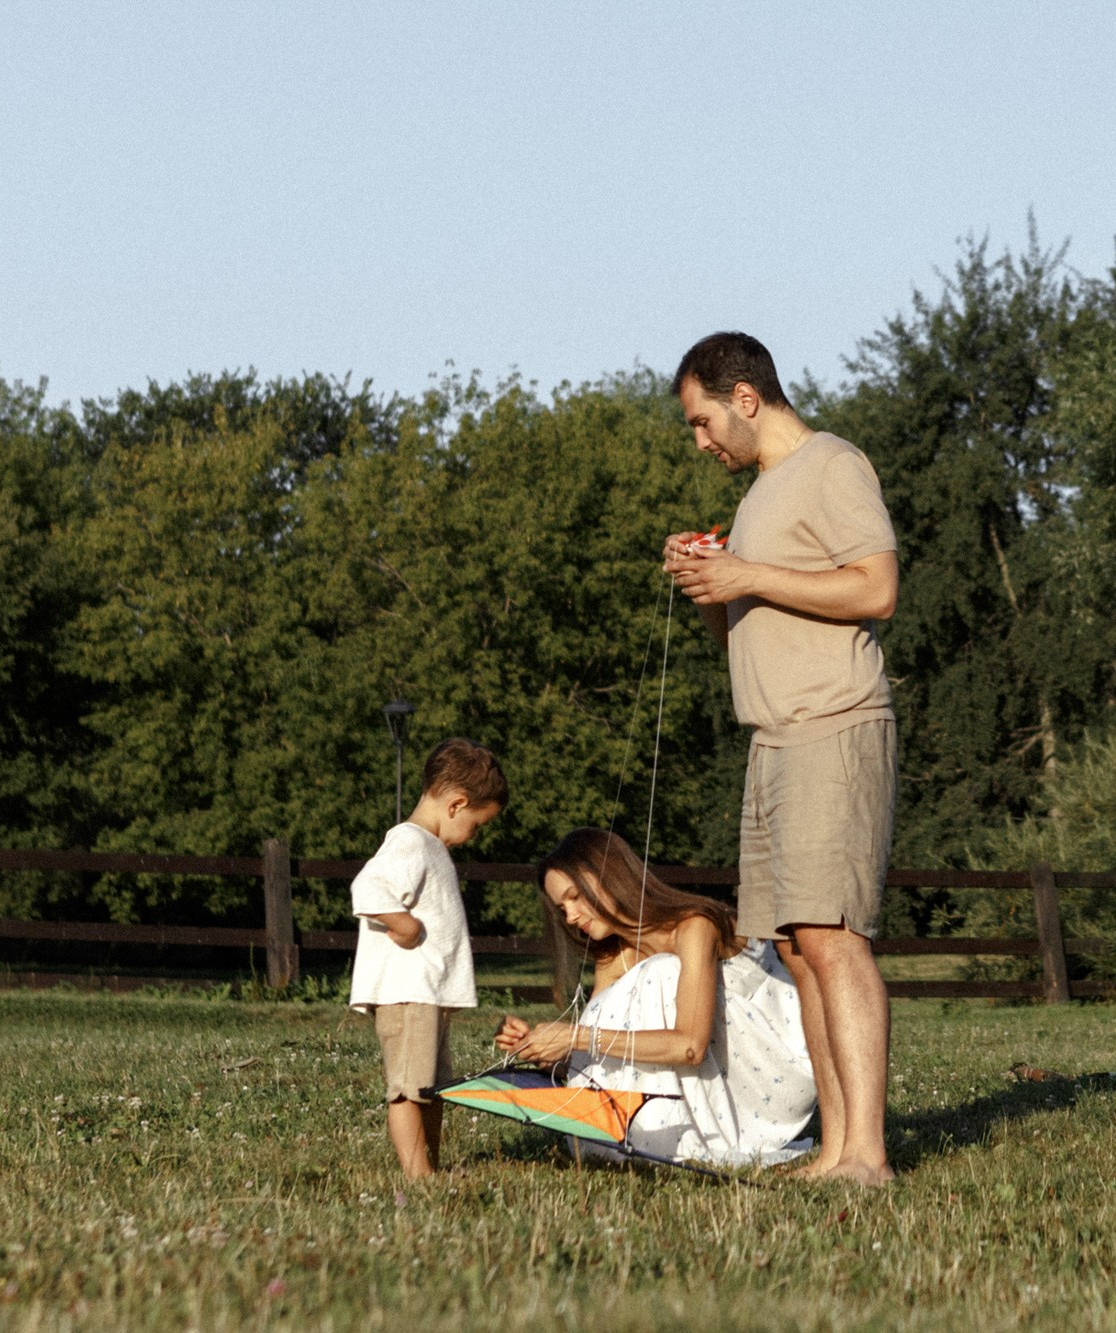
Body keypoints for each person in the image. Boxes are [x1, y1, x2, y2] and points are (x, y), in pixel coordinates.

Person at [661, 331, 900, 1186]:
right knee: (797, 949)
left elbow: (876, 588)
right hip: (772, 741)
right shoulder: (763, 492)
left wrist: (747, 573)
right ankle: (835, 1147)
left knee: (836, 941)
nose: (701, 441)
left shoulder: (834, 465)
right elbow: (745, 612)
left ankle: (866, 1154)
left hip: (832, 726)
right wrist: (708, 582)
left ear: (746, 398)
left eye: (701, 421)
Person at [493, 828, 817, 1168]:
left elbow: (689, 1046)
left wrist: (575, 1036)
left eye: (575, 897)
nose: (571, 917)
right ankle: (637, 1129)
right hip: (714, 1064)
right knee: (629, 993)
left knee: (660, 972)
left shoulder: (694, 927)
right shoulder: (614, 954)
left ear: (610, 875)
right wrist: (547, 1050)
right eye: (562, 908)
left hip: (772, 1068)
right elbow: (599, 1048)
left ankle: (670, 1134)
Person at [349, 736, 508, 1179]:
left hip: (427, 996)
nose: (472, 837)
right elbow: (367, 887)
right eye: (477, 825)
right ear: (456, 804)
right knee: (407, 1090)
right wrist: (404, 924)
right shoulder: (411, 842)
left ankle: (430, 1168)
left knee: (431, 1089)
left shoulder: (429, 847)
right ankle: (418, 1178)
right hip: (408, 993)